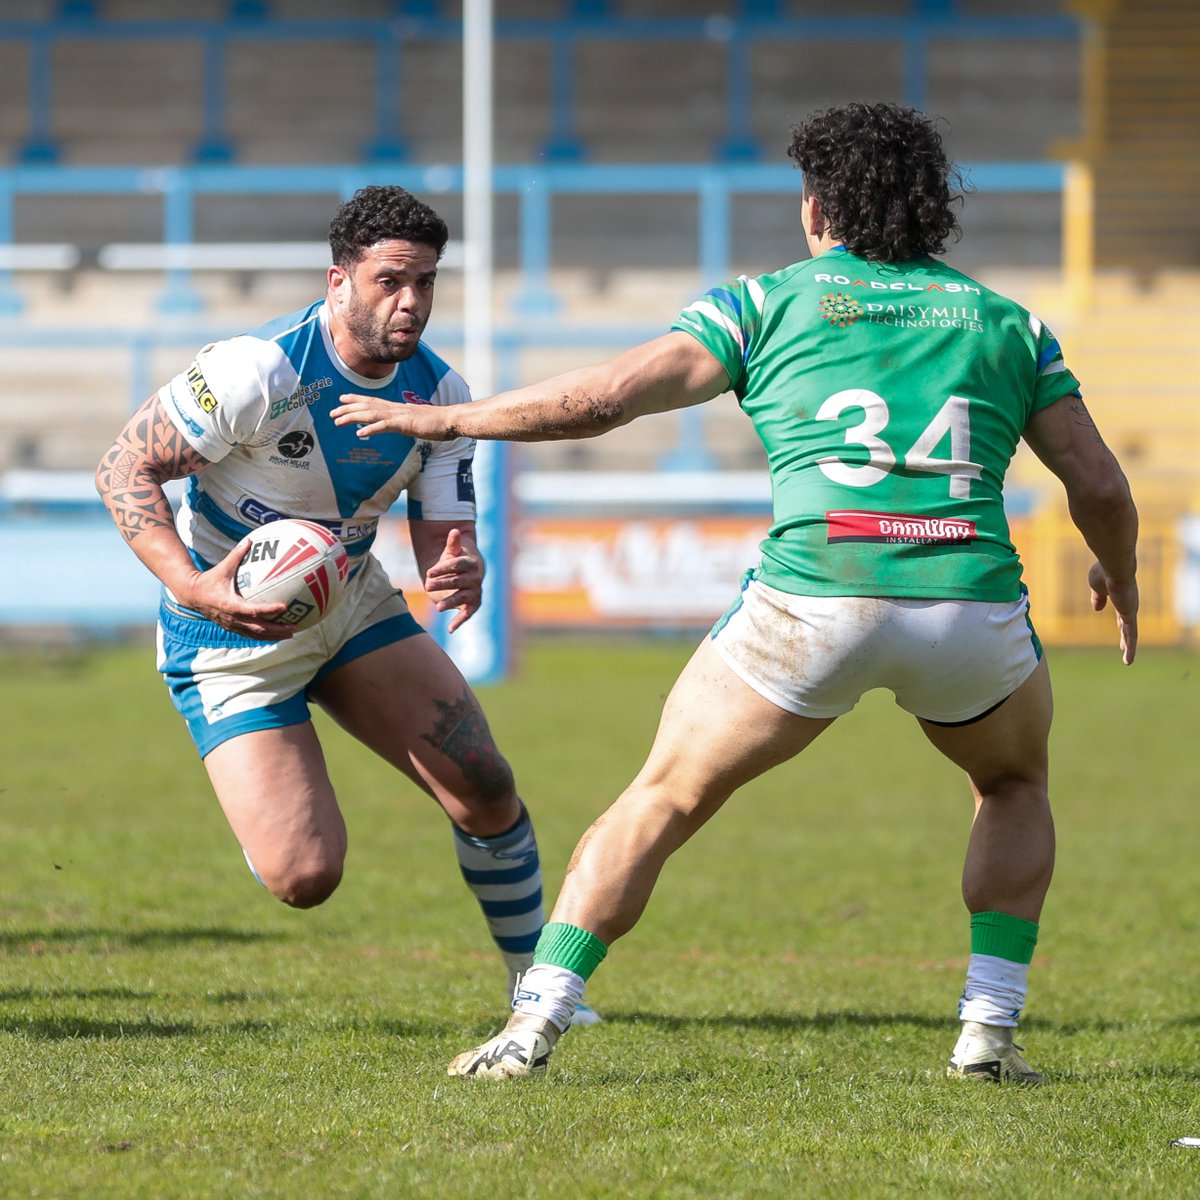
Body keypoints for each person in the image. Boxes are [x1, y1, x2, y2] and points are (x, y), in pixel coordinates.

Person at [331, 104, 1139, 1084]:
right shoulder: (1010, 322)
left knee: (666, 796)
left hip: (815, 601)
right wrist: (1120, 571)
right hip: (966, 602)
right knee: (1012, 785)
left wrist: (446, 414)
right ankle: (988, 1033)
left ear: (817, 209)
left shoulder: (765, 304)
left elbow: (604, 400)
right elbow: (1096, 482)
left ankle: (534, 1022)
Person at [94, 184, 599, 1024]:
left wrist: (457, 567)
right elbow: (122, 469)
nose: (411, 303)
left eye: (426, 283)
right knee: (305, 877)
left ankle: (536, 982)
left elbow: (443, 531)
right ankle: (261, 807)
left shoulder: (439, 393)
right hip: (224, 630)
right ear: (339, 282)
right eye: (390, 281)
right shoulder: (257, 370)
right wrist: (192, 585)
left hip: (352, 605)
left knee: (483, 782)